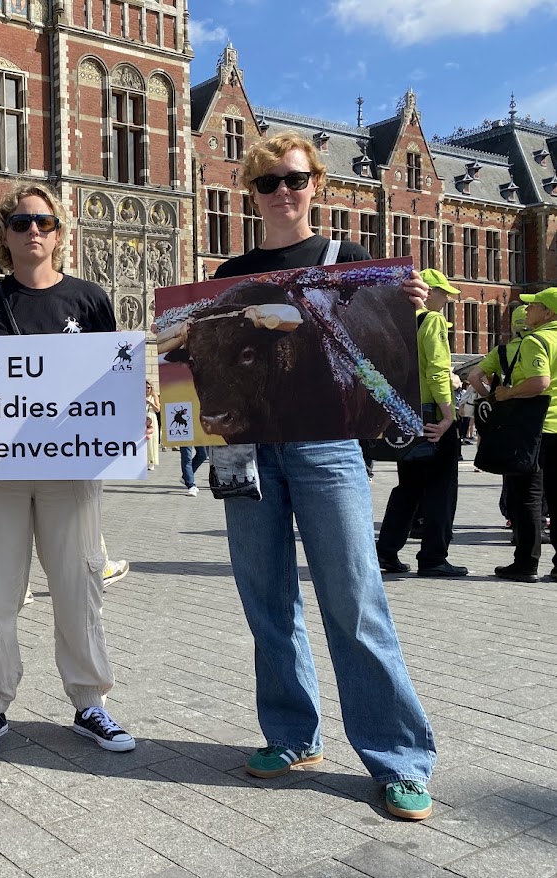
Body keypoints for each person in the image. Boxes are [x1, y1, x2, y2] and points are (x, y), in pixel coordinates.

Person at [213, 132, 436, 821]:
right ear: (251, 193)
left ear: (319, 186)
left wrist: (415, 307)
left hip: (327, 444)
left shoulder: (351, 261)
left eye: (296, 179)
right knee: (265, 598)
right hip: (244, 447)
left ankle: (398, 757)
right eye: (269, 183)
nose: (284, 192)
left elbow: (380, 345)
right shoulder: (230, 270)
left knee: (354, 598)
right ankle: (290, 736)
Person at [0, 181, 135, 754]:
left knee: (78, 585)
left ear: (60, 234)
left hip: (70, 465)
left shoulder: (89, 300)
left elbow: (115, 378)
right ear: (4, 236)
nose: (34, 230)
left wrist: (135, 415)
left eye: (45, 222)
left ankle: (89, 702)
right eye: (21, 222)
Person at [375, 269, 466, 578]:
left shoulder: (393, 324)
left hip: (404, 412)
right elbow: (438, 370)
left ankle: (386, 551)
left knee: (408, 487)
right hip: (431, 414)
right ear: (429, 293)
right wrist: (448, 415)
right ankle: (433, 557)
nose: (447, 300)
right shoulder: (432, 321)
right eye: (444, 293)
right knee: (441, 489)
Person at [469, 287, 557, 582]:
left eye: (534, 307)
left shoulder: (536, 340)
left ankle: (526, 564)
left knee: (528, 497)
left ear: (548, 313)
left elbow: (539, 382)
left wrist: (504, 394)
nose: (527, 310)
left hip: (535, 428)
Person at [146, 381, 161, 472]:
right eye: (146, 388)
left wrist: (150, 403)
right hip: (142, 418)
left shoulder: (154, 396)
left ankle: (151, 462)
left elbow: (158, 409)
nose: (147, 389)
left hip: (151, 417)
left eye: (149, 387)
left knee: (151, 440)